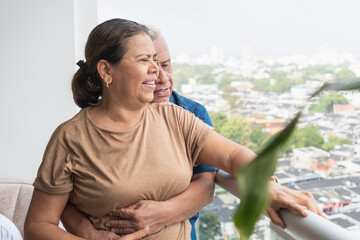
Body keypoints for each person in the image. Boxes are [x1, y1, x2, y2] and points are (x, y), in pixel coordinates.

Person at [24, 18, 323, 240]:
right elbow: (38, 226)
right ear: (106, 71)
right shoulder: (70, 139)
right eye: (145, 60)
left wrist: (268, 188)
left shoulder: (175, 118)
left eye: (158, 61)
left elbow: (233, 157)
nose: (157, 71)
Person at [60, 27, 218, 240]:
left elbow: (208, 183)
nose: (161, 77)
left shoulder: (188, 114)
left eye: (165, 64)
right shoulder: (88, 128)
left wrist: (161, 214)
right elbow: (61, 202)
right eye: (147, 63)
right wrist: (91, 235)